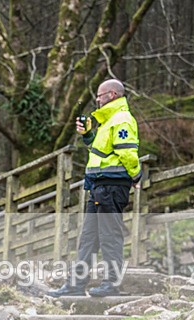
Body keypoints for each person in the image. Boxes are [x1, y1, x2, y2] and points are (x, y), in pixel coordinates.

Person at [49, 79, 141, 298]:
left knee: (110, 236)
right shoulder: (108, 121)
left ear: (111, 95)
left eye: (99, 96)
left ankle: (111, 284)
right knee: (88, 238)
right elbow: (101, 151)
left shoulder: (122, 120)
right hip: (99, 187)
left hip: (111, 186)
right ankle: (76, 285)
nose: (97, 100)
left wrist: (136, 175)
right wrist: (88, 135)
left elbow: (127, 152)